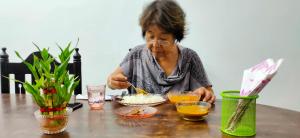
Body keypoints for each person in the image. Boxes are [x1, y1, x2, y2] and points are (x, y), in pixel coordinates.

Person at [107, 0, 215, 103]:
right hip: (140, 119)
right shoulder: (136, 55)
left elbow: (208, 93)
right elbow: (111, 81)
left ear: (176, 36)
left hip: (179, 121)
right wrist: (113, 82)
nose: (155, 44)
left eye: (163, 38)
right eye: (151, 36)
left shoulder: (190, 58)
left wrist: (205, 94)